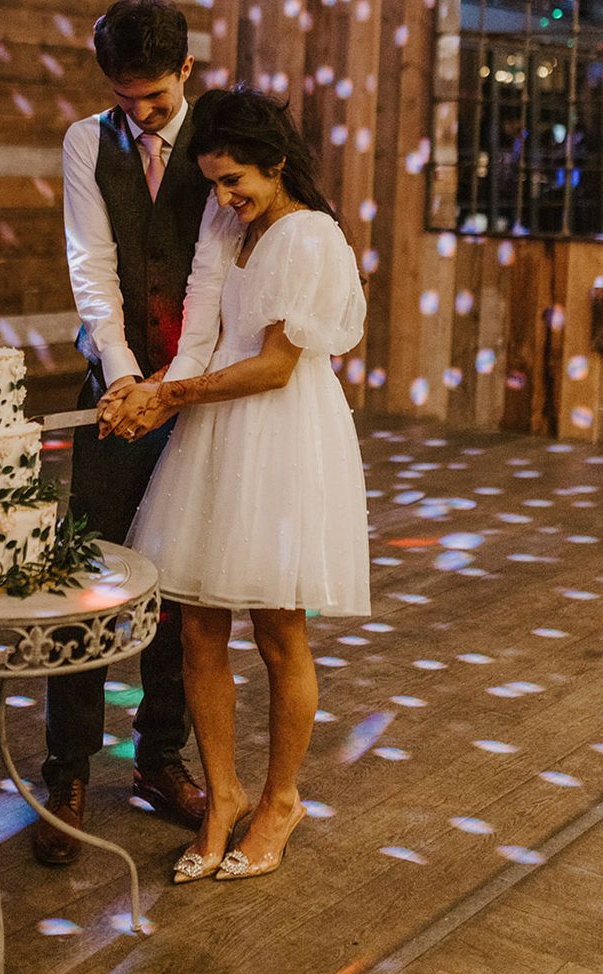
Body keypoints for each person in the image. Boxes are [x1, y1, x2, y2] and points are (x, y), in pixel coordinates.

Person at [101, 87, 371, 882]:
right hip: (215, 427)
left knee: (279, 629)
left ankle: (281, 798)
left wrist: (173, 398)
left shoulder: (312, 237)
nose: (224, 198)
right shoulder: (226, 223)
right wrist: (152, 392)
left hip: (281, 433)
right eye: (216, 182)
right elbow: (202, 328)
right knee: (197, 631)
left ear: (276, 163)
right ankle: (223, 795)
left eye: (236, 181)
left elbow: (275, 365)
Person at [34, 0, 223, 865]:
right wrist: (122, 379)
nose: (138, 112)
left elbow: (229, 274)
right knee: (89, 577)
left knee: (179, 585)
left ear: (186, 71)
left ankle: (159, 760)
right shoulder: (86, 142)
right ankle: (66, 768)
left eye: (152, 96)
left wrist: (176, 388)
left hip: (200, 395)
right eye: (123, 96)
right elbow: (91, 266)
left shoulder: (224, 135)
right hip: (115, 394)